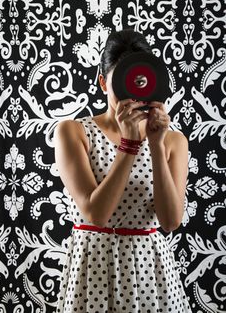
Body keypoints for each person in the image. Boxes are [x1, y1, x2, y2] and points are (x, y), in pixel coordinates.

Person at [54, 29, 192, 312]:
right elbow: (97, 214)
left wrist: (155, 144)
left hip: (150, 267)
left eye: (139, 82)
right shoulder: (73, 132)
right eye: (123, 82)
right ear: (103, 82)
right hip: (93, 264)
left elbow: (170, 221)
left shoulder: (173, 141)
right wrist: (128, 145)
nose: (133, 94)